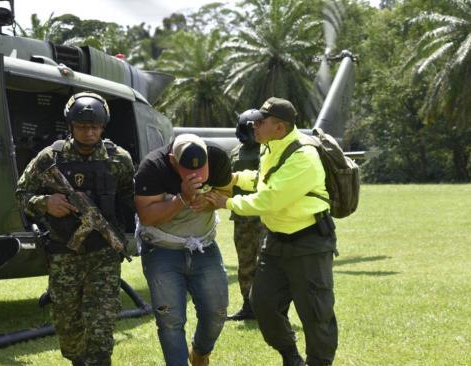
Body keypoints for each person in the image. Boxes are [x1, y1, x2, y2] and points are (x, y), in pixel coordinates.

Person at [206, 97, 338, 366]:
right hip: (276, 240)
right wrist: (233, 179)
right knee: (262, 305)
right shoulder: (270, 148)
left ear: (280, 127)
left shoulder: (303, 155)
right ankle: (291, 357)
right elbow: (262, 181)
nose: (254, 125)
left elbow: (270, 199)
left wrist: (226, 202)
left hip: (308, 241)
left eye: (260, 121)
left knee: (315, 313)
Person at [16, 91, 135, 366]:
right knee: (67, 324)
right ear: (71, 126)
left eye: (94, 127)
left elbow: (133, 199)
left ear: (103, 127)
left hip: (104, 254)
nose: (89, 132)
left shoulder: (119, 160)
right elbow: (21, 195)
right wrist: (46, 202)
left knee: (101, 322)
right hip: (64, 255)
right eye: (82, 127)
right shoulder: (50, 158)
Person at [134, 133, 233, 366]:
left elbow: (227, 192)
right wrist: (182, 199)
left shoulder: (217, 157)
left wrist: (209, 200)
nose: (197, 175)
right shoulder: (153, 167)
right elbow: (147, 216)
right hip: (161, 248)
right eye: (189, 171)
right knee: (170, 319)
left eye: (202, 170)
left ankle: (199, 353)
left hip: (203, 246)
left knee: (217, 312)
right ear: (172, 160)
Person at [226, 109, 267, 321]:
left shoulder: (267, 152)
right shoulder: (234, 153)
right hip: (241, 217)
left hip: (263, 216)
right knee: (245, 262)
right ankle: (248, 305)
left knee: (266, 263)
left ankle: (269, 307)